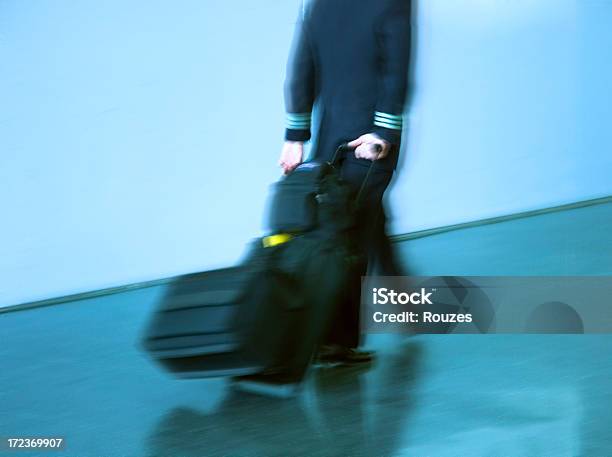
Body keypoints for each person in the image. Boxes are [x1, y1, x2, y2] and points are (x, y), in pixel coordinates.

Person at [279, 0, 412, 364]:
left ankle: (404, 305)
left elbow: (301, 68)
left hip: (331, 140)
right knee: (353, 232)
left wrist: (296, 134)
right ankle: (334, 342)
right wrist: (383, 131)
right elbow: (396, 70)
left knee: (362, 217)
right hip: (369, 143)